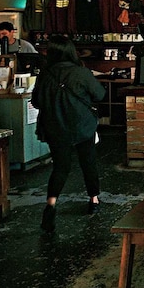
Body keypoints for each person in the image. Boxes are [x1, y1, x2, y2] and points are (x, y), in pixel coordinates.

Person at [30, 35, 106, 233]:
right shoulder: (81, 73)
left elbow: (36, 102)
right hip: (82, 127)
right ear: (71, 51)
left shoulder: (45, 75)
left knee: (60, 167)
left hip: (55, 128)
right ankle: (94, 200)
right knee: (88, 162)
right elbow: (100, 95)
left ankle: (51, 204)